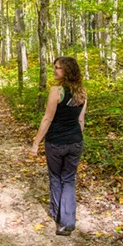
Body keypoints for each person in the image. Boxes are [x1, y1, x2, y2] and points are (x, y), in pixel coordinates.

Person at [27, 56, 87, 236]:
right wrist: (77, 139)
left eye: (58, 68)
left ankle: (57, 215)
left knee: (55, 178)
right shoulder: (82, 92)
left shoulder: (56, 91)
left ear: (67, 71)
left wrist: (36, 143)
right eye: (55, 67)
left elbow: (47, 118)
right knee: (68, 179)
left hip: (56, 143)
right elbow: (81, 120)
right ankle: (68, 220)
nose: (55, 70)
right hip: (75, 142)